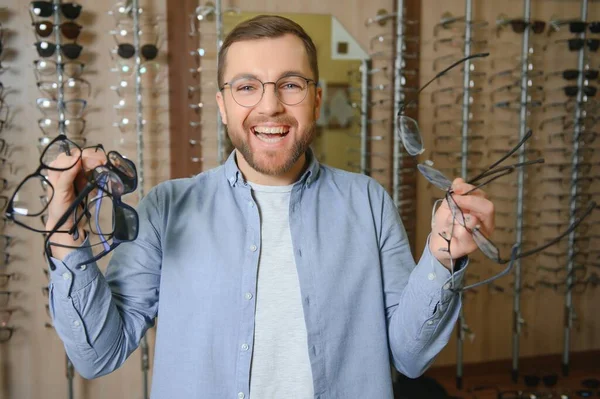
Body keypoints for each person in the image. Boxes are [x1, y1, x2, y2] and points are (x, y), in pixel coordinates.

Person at [45, 15, 495, 399]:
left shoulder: (369, 202)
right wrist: (64, 230)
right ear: (222, 106)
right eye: (247, 87)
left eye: (291, 85)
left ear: (316, 100)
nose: (270, 106)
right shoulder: (166, 208)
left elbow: (411, 358)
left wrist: (442, 253)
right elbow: (98, 354)